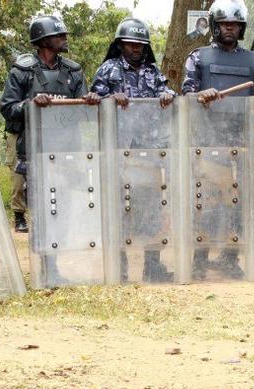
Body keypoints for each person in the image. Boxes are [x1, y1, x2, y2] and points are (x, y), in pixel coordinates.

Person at [182, 0, 254, 281]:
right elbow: (186, 94)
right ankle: (199, 260)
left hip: (243, 145)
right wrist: (200, 96)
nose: (229, 29)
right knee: (207, 204)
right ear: (215, 26)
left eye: (234, 24)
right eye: (224, 24)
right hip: (208, 144)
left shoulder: (253, 59)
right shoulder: (199, 57)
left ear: (241, 28)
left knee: (238, 205)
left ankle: (231, 259)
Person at [92, 17, 176, 283]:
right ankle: (121, 268)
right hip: (118, 152)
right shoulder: (108, 69)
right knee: (118, 210)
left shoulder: (153, 71)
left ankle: (153, 266)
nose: (136, 48)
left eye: (140, 44)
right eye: (130, 43)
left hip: (148, 153)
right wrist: (109, 99)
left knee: (150, 211)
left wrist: (167, 95)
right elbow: (92, 100)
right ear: (120, 44)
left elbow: (168, 92)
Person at [0, 15, 99, 233]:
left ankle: (58, 249)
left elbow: (82, 111)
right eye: (59, 35)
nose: (65, 38)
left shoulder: (74, 71)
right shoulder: (22, 71)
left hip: (65, 147)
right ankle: (43, 253)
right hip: (33, 146)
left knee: (64, 202)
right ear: (44, 40)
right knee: (39, 203)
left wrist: (90, 101)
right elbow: (7, 107)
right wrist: (30, 105)